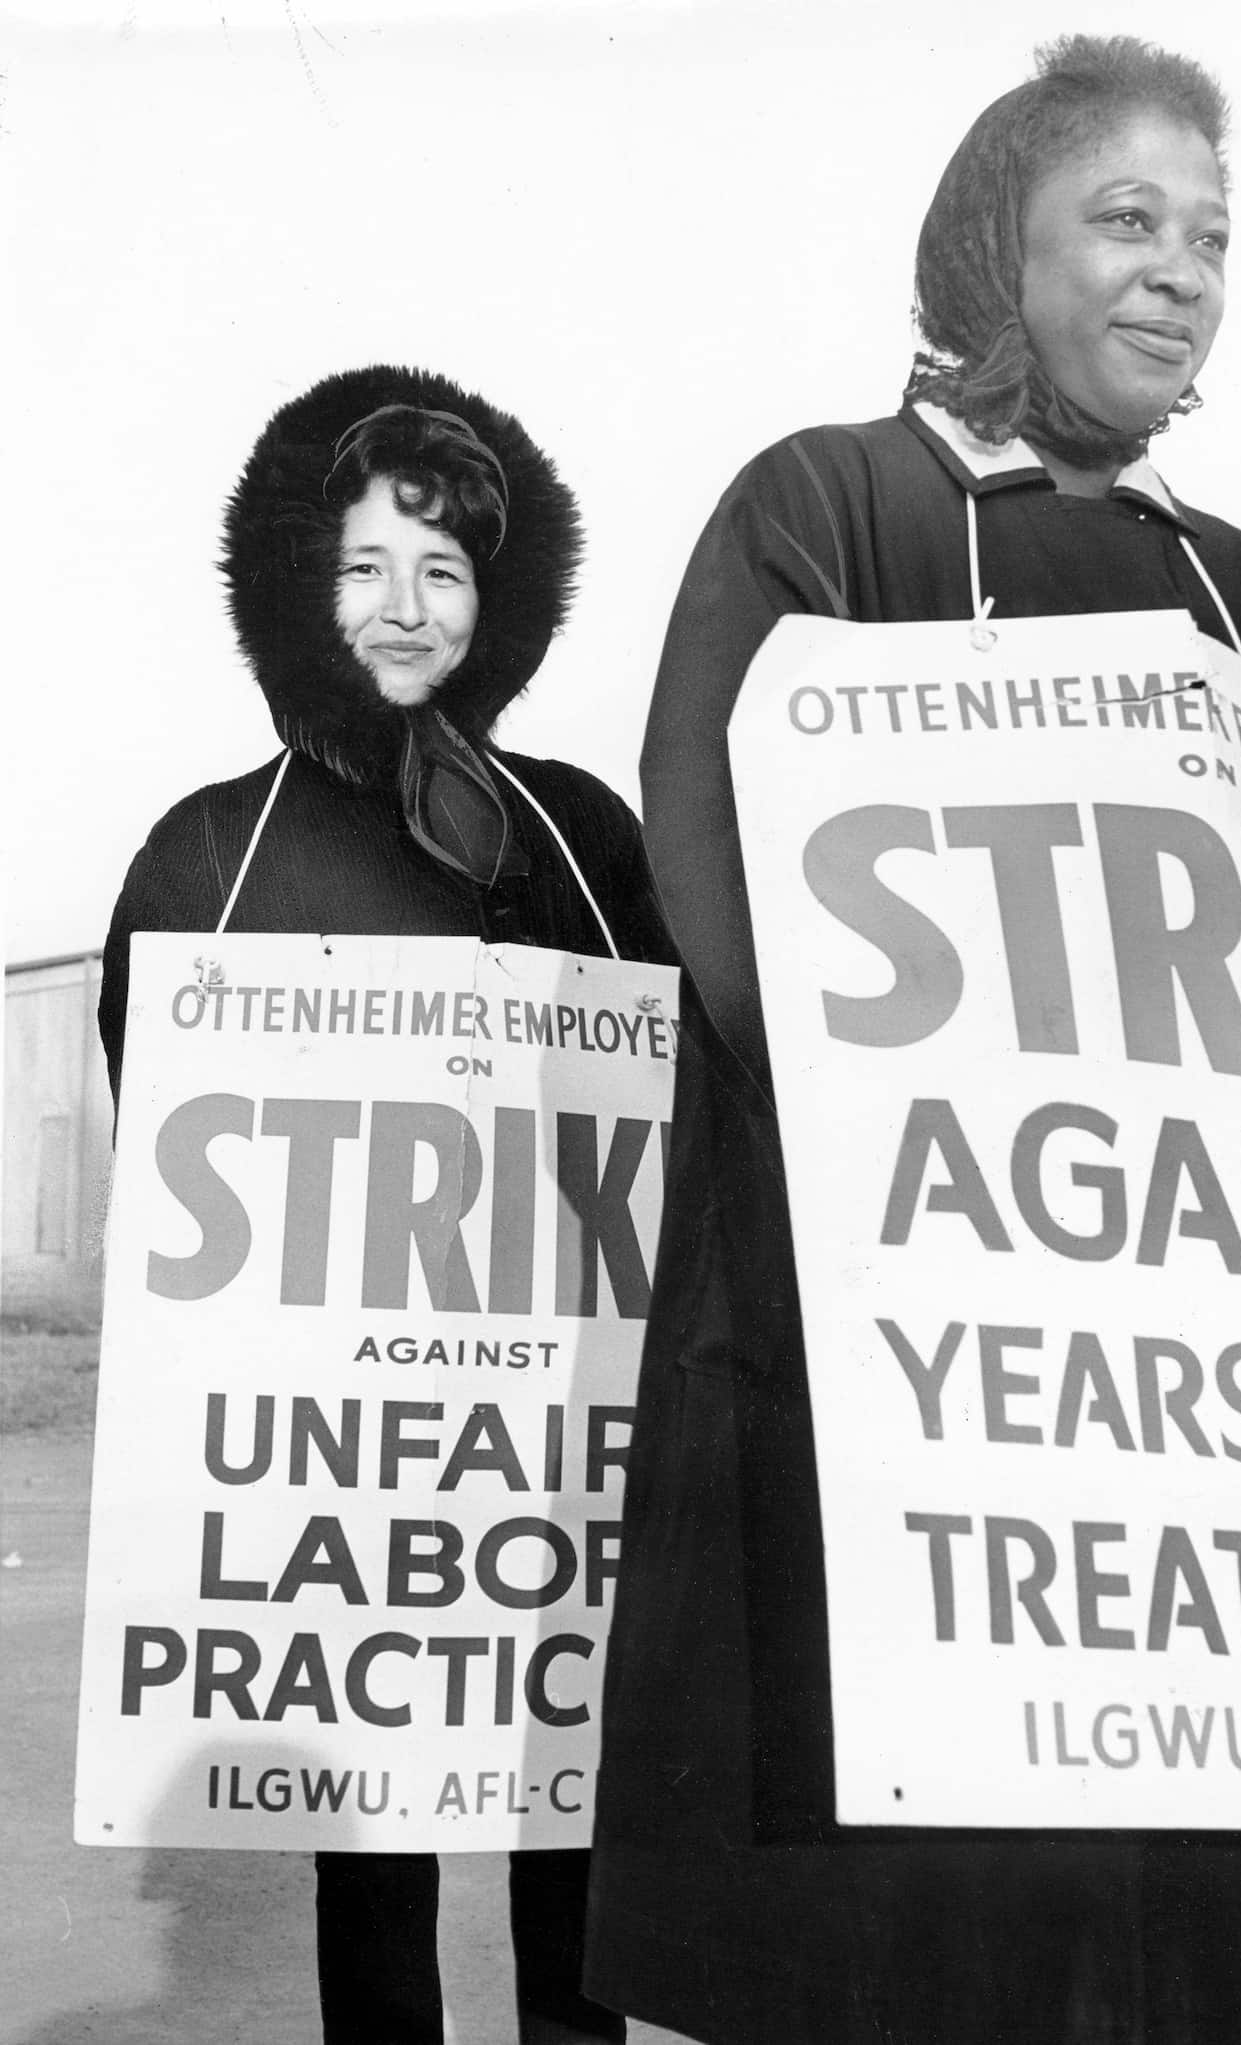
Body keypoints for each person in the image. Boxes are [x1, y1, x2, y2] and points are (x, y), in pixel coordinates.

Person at [584, 34, 1241, 2045]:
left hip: (1184, 1426)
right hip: (892, 1381)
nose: (1178, 271)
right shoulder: (829, 507)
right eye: (1123, 220)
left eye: (1208, 236)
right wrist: (935, 1196)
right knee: (915, 1949)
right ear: (988, 254)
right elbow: (717, 863)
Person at [99, 364, 672, 2045]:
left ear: (501, 599)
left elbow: (670, 1094)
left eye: (445, 569)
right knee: (376, 1834)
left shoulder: (578, 832)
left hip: (560, 1434)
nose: (406, 607)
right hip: (353, 1460)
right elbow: (179, 1146)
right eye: (364, 566)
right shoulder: (212, 851)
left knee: (573, 1812)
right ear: (298, 582)